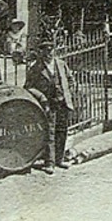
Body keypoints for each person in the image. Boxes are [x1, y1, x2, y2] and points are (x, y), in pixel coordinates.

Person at [25, 38, 76, 173]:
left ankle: (59, 159)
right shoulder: (36, 68)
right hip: (49, 103)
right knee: (50, 132)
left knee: (62, 130)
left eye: (50, 50)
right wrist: (42, 97)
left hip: (63, 102)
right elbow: (28, 87)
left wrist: (68, 91)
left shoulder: (61, 64)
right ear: (40, 52)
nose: (48, 53)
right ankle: (49, 162)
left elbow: (71, 79)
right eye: (45, 50)